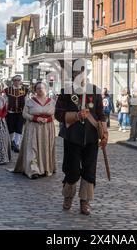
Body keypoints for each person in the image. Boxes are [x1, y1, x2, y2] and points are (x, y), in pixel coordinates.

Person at [54, 67, 108, 216]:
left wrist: (104, 133)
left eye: (82, 74)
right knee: (72, 170)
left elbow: (101, 115)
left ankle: (85, 201)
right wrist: (76, 115)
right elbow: (58, 114)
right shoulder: (66, 92)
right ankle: (68, 196)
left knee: (89, 170)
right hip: (72, 137)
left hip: (91, 137)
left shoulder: (95, 91)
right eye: (77, 74)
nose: (80, 76)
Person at [13, 82, 56, 179]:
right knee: (32, 147)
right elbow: (24, 114)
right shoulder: (30, 101)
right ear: (35, 90)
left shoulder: (52, 101)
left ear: (46, 89)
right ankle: (33, 170)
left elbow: (55, 114)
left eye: (42, 88)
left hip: (47, 128)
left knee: (45, 147)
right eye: (38, 88)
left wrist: (48, 119)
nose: (40, 90)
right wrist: (36, 118)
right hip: (33, 127)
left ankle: (45, 167)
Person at [4, 75, 29, 153]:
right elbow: (5, 102)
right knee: (10, 128)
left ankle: (17, 144)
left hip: (20, 113)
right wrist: (4, 112)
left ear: (21, 81)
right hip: (10, 112)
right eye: (15, 80)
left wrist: (26, 112)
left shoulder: (25, 90)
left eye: (18, 80)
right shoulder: (7, 90)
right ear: (12, 81)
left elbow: (27, 101)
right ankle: (11, 142)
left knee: (19, 128)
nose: (17, 81)